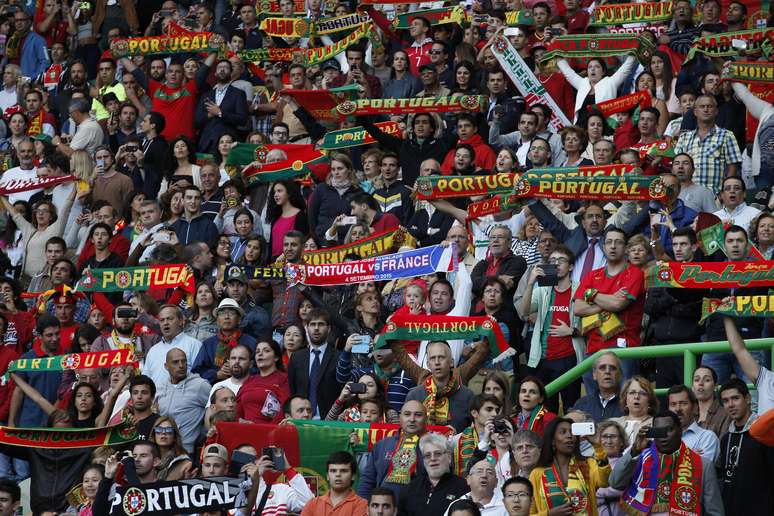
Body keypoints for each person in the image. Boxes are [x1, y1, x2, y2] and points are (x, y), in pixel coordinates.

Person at [609, 410, 725, 516]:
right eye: (659, 431)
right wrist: (634, 450)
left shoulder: (703, 465)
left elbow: (714, 512)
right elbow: (615, 482)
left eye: (669, 430)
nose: (663, 437)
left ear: (680, 430)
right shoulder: (640, 458)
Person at [573, 227, 645, 383]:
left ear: (626, 248)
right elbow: (577, 308)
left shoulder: (634, 273)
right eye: (609, 242)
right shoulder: (592, 275)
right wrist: (607, 301)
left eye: (618, 242)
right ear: (603, 247)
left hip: (623, 349)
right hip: (593, 348)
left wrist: (592, 294)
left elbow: (618, 304)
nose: (613, 246)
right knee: (593, 401)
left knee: (623, 400)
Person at [519, 245, 581, 413]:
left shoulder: (579, 289)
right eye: (552, 261)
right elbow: (524, 311)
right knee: (546, 411)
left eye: (561, 260)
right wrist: (531, 283)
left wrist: (572, 331)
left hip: (568, 359)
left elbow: (591, 322)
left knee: (571, 408)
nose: (556, 264)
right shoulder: (543, 290)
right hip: (543, 359)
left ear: (571, 266)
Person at [393, 339, 490, 432]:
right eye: (432, 358)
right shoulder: (414, 395)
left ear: (451, 362)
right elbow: (406, 431)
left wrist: (458, 438)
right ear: (428, 364)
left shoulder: (468, 396)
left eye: (441, 357)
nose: (437, 362)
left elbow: (477, 432)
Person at [529, 417, 610, 515]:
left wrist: (598, 447)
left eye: (572, 432)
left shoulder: (588, 464)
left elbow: (604, 482)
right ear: (552, 441)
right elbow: (530, 513)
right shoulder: (537, 474)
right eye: (563, 432)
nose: (569, 436)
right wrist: (549, 514)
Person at [718, 378, 774, 515]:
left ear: (748, 398)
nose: (730, 405)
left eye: (735, 398)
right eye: (725, 401)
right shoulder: (725, 439)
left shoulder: (764, 434)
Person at [358, 400, 427, 500]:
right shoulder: (382, 445)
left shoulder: (433, 447)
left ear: (426, 419)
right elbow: (367, 481)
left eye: (418, 415)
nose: (412, 419)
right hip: (383, 509)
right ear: (400, 418)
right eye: (407, 414)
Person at [674, 94, 742, 193]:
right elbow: (676, 168)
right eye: (702, 107)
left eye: (709, 106)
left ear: (716, 111)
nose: (706, 110)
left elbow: (732, 170)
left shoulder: (727, 135)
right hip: (687, 195)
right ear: (695, 112)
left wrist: (724, 194)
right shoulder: (684, 137)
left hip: (715, 196)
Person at [288, 308, 345, 419]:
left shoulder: (339, 357)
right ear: (307, 328)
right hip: (302, 419)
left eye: (321, 324)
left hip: (330, 420)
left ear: (329, 329)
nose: (316, 328)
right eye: (312, 324)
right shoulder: (296, 357)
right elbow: (293, 389)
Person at [155, 348, 210, 453]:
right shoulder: (159, 388)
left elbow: (214, 410)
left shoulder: (200, 385)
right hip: (162, 450)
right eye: (175, 362)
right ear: (166, 366)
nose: (181, 365)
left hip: (186, 451)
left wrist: (202, 436)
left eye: (184, 361)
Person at [399, 431, 468, 516]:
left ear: (449, 457)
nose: (432, 459)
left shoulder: (463, 487)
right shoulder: (410, 488)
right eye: (427, 455)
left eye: (438, 454)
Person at [192, 298, 257, 384]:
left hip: (245, 388)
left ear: (239, 320)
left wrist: (239, 371)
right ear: (218, 321)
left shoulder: (251, 342)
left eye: (231, 313)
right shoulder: (208, 344)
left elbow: (260, 369)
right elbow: (196, 372)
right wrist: (216, 374)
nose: (226, 317)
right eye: (222, 313)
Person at [235, 339, 289, 424]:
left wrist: (265, 430)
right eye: (257, 352)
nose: (260, 354)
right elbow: (237, 409)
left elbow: (285, 409)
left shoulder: (284, 379)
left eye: (266, 351)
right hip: (244, 431)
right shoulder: (249, 380)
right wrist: (239, 421)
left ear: (276, 357)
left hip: (270, 431)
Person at [300, 451, 368, 516]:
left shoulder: (362, 505)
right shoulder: (312, 504)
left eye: (344, 471)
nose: (338, 474)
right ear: (327, 476)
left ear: (353, 476)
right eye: (333, 471)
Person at [666, 384, 720, 463]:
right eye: (673, 404)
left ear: (694, 407)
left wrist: (667, 459)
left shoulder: (707, 437)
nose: (678, 409)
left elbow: (700, 470)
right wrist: (689, 457)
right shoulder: (661, 437)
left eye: (683, 403)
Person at [611, 376, 658, 451]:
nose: (636, 397)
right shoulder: (612, 423)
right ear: (625, 398)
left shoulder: (657, 424)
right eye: (632, 392)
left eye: (642, 393)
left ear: (650, 400)